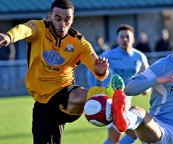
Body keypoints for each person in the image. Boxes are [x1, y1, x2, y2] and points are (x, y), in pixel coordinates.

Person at [0, 0, 115, 143]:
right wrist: (9, 36)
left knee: (79, 94)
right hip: (43, 101)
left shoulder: (79, 43)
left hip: (65, 90)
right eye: (58, 19)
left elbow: (96, 67)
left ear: (72, 19)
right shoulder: (39, 28)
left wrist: (100, 71)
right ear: (50, 16)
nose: (62, 24)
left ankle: (111, 97)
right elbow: (24, 29)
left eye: (67, 19)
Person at [88, 25, 149, 144]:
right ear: (117, 40)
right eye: (121, 37)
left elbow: (147, 75)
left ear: (133, 39)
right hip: (111, 101)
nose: (124, 39)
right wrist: (93, 90)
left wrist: (146, 88)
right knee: (115, 137)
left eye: (127, 37)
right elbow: (91, 71)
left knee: (135, 133)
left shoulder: (140, 57)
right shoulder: (108, 55)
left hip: (127, 100)